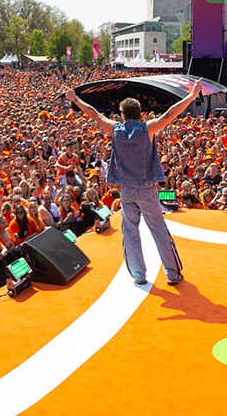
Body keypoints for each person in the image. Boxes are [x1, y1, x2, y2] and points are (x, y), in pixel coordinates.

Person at [66, 80, 203, 286]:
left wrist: (75, 98)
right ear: (140, 113)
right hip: (146, 189)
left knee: (130, 232)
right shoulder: (146, 129)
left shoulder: (115, 129)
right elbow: (170, 114)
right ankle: (172, 274)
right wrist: (192, 95)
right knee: (158, 231)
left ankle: (139, 275)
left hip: (126, 190)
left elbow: (95, 114)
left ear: (122, 114)